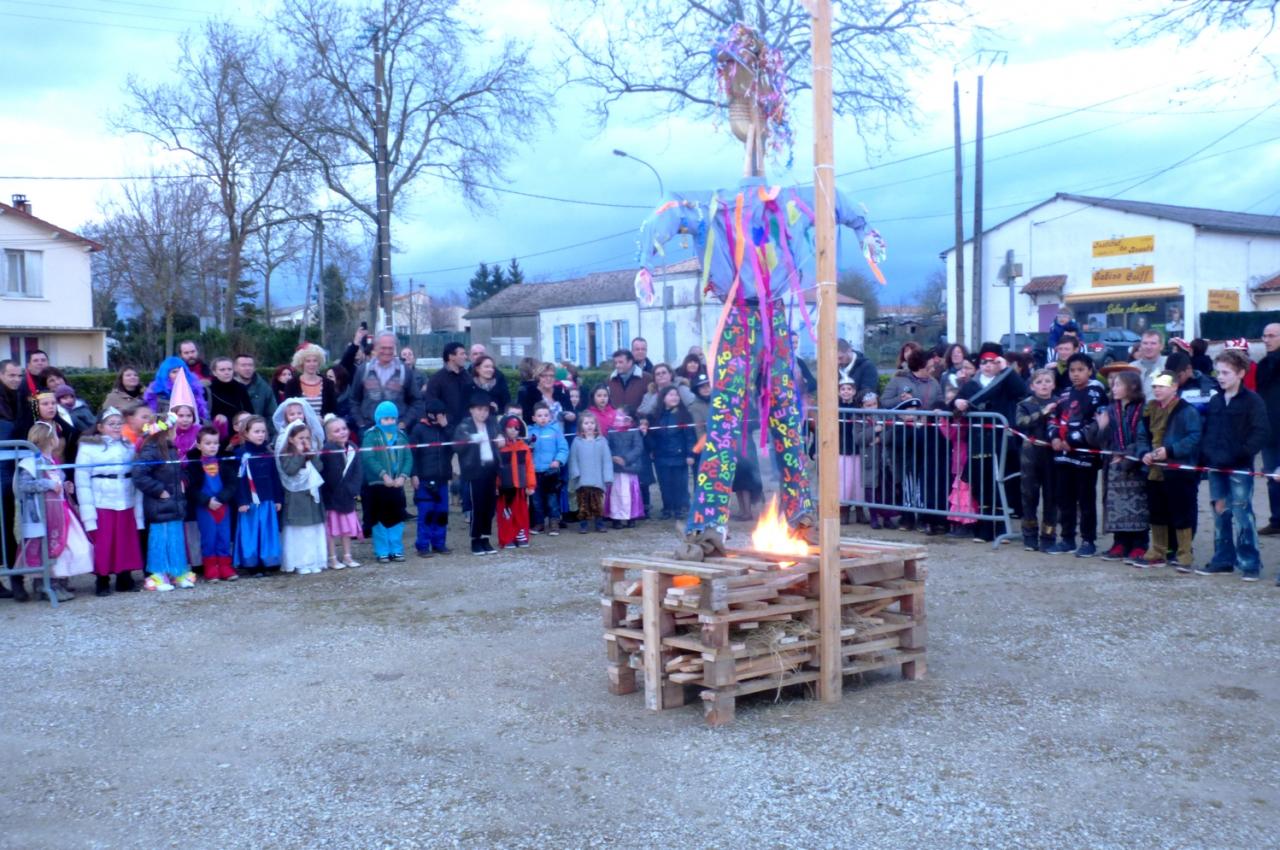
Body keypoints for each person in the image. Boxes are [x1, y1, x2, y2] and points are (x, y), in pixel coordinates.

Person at [1194, 349, 1270, 580]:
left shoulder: (1252, 401)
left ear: (1240, 374)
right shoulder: (1216, 400)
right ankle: (1223, 559)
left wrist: (1241, 453)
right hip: (1216, 467)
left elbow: (1260, 432)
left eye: (1226, 372)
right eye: (1219, 372)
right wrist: (1208, 453)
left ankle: (1250, 563)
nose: (1221, 376)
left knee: (1242, 513)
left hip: (1239, 467)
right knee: (1220, 512)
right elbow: (1209, 430)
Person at [952, 344, 1026, 542]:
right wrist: (957, 403)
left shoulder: (1005, 382)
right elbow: (956, 405)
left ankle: (1002, 528)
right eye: (984, 362)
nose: (987, 366)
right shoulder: (972, 385)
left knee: (1001, 485)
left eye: (992, 362)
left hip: (1001, 442)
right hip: (979, 443)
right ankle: (984, 529)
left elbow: (1022, 390)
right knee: (981, 486)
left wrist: (1006, 370)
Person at [17, 421, 92, 601]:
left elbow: (58, 482)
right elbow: (23, 485)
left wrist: (65, 486)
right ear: (49, 439)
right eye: (56, 436)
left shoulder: (53, 461)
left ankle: (59, 581)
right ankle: (46, 583)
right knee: (49, 547)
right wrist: (49, 484)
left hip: (60, 509)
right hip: (45, 511)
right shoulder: (30, 462)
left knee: (72, 546)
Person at [1135, 372, 1202, 569]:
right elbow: (1141, 436)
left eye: (1162, 386)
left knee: (1182, 512)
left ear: (1174, 387)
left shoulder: (1187, 410)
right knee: (1157, 511)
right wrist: (1144, 453)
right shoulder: (1149, 409)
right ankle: (1158, 550)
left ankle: (1184, 554)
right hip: (1154, 470)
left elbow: (1194, 437)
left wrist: (1170, 451)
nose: (1157, 389)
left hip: (1178, 471)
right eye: (1155, 386)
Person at [75, 408, 145, 595]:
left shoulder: (128, 445)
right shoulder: (88, 448)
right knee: (105, 541)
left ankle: (124, 576)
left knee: (125, 539)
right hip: (102, 500)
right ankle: (102, 578)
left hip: (125, 497)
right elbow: (82, 479)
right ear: (100, 427)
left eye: (119, 423)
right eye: (111, 424)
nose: (116, 427)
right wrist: (87, 511)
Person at [1045, 352, 1108, 557]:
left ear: (1090, 370)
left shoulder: (1097, 394)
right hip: (1062, 456)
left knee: (1086, 499)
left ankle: (1088, 540)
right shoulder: (1065, 395)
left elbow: (1095, 424)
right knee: (1064, 498)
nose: (1076, 374)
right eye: (1072, 370)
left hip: (1085, 456)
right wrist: (1054, 437)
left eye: (1080, 370)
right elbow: (1054, 418)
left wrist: (1071, 440)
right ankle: (1067, 538)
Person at [1088, 369, 1149, 564]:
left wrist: (1127, 455)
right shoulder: (1109, 409)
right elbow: (1095, 440)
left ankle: (1140, 543)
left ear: (1131, 387)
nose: (1113, 388)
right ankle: (1120, 542)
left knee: (1139, 506)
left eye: (1118, 384)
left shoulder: (1143, 409)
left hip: (1135, 464)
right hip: (1112, 465)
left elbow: (1145, 437)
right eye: (1112, 384)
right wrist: (1102, 425)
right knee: (1116, 506)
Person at [133, 415, 196, 592]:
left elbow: (176, 471)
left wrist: (183, 481)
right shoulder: (151, 450)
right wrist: (159, 490)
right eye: (174, 428)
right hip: (160, 505)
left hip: (175, 503)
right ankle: (159, 574)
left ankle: (177, 572)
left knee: (175, 538)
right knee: (160, 538)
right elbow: (139, 474)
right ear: (167, 431)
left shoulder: (171, 449)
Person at [184, 425, 238, 583]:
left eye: (215, 443)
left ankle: (225, 566)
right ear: (199, 445)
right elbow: (191, 489)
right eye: (208, 443)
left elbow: (232, 484)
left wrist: (221, 499)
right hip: (205, 508)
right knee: (209, 537)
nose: (212, 446)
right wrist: (207, 501)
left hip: (223, 506)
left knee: (224, 535)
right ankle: (211, 567)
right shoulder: (194, 465)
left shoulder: (225, 463)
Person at [362, 400, 412, 564]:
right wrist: (383, 475)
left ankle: (396, 549)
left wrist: (403, 476)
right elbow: (368, 457)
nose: (389, 422)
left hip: (396, 485)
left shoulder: (402, 436)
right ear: (378, 419)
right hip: (377, 485)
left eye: (392, 418)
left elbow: (408, 458)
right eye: (386, 419)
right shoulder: (371, 435)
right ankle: (382, 550)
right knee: (379, 519)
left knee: (397, 518)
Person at [1015, 369, 1059, 552]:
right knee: (1029, 495)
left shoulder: (1059, 403)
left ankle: (1048, 535)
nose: (1044, 385)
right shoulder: (1025, 404)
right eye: (1039, 382)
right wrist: (1042, 413)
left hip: (1052, 454)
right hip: (1031, 454)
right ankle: (1029, 533)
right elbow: (1021, 422)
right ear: (1032, 386)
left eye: (1047, 381)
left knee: (1051, 496)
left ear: (1053, 384)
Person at [232, 416, 283, 578]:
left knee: (267, 531)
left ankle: (268, 561)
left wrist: (278, 498)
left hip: (267, 499)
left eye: (263, 431)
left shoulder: (268, 452)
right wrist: (241, 500)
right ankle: (252, 563)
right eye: (256, 431)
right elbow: (238, 480)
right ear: (246, 433)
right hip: (250, 501)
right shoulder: (240, 454)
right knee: (251, 532)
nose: (260, 435)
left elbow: (275, 477)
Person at [276, 420, 329, 575]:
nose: (305, 441)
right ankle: (299, 562)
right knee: (299, 532)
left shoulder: (311, 451)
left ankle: (314, 560)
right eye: (301, 438)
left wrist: (311, 456)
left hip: (311, 499)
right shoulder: (285, 454)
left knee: (312, 530)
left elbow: (320, 468)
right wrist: (300, 455)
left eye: (307, 437)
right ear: (291, 439)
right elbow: (290, 470)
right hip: (296, 499)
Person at [455, 391, 502, 555]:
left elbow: (499, 436)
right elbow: (457, 446)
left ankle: (485, 538)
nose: (483, 413)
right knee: (477, 506)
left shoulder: (491, 424)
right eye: (479, 409)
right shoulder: (464, 426)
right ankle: (475, 540)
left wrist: (501, 438)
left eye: (486, 410)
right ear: (471, 410)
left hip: (491, 469)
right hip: (474, 472)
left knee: (489, 506)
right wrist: (471, 439)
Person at [318, 414, 363, 568]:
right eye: (337, 431)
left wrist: (353, 489)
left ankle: (347, 556)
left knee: (346, 529)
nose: (342, 432)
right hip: (331, 497)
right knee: (331, 529)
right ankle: (332, 558)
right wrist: (333, 492)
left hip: (348, 496)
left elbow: (358, 471)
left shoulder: (353, 448)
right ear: (329, 435)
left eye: (344, 428)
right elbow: (327, 475)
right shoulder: (327, 450)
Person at [409, 400, 452, 557]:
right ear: (433, 415)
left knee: (442, 513)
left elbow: (454, 447)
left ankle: (439, 543)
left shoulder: (446, 429)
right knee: (426, 514)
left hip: (442, 478)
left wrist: (446, 426)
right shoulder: (419, 429)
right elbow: (412, 453)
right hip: (425, 479)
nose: (443, 417)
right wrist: (413, 474)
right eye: (441, 415)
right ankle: (422, 546)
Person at [645, 387, 696, 520]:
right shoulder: (655, 416)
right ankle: (668, 508)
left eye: (676, 395)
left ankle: (681, 508)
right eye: (671, 395)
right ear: (663, 398)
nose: (675, 397)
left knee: (680, 484)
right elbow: (652, 436)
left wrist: (690, 454)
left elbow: (690, 437)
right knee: (665, 484)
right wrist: (650, 446)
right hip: (661, 456)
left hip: (679, 456)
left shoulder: (684, 415)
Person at [0, 359, 24, 599]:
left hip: (16, 471)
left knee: (12, 527)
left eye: (18, 375)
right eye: (11, 375)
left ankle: (19, 576)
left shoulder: (22, 397)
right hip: (3, 472)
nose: (16, 379)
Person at [528, 402, 568, 535]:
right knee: (536, 500)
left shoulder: (555, 430)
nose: (543, 418)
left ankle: (554, 523)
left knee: (552, 499)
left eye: (546, 415)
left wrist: (558, 460)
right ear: (534, 418)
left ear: (550, 416)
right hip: (534, 471)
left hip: (551, 471)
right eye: (539, 415)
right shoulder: (529, 431)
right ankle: (539, 523)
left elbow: (563, 448)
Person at [496, 414, 536, 548]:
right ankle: (508, 537)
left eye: (516, 427)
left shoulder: (524, 448)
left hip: (520, 488)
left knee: (521, 513)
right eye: (509, 427)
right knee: (506, 514)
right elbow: (495, 469)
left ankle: (520, 534)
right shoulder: (499, 448)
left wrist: (531, 485)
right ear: (504, 428)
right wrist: (495, 485)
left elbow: (530, 467)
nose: (513, 430)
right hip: (504, 489)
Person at [570, 410, 612, 533]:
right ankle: (583, 525)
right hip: (582, 480)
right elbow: (573, 459)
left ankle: (599, 523)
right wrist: (575, 473)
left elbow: (607, 460)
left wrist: (608, 477)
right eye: (586, 423)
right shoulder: (576, 442)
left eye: (592, 423)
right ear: (581, 426)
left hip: (597, 479)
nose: (589, 425)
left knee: (597, 503)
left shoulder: (602, 441)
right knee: (583, 503)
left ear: (596, 425)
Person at [1256, 322, 1280, 536]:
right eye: (1265, 335)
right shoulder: (1264, 364)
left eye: (1271, 335)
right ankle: (1276, 519)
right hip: (1270, 432)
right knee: (1273, 477)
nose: (1266, 339)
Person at [605, 408, 645, 528]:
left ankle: (631, 516)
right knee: (615, 494)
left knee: (630, 493)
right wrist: (613, 457)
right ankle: (616, 517)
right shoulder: (611, 431)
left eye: (624, 416)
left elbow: (638, 447)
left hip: (629, 468)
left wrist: (626, 459)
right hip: (615, 469)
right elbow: (606, 445)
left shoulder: (634, 431)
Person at [423, 340, 471, 429]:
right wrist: (442, 420)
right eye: (462, 354)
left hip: (467, 427)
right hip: (445, 429)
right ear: (451, 356)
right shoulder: (436, 379)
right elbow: (430, 403)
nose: (465, 357)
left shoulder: (468, 377)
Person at [146, 355, 209, 422]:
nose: (179, 374)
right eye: (174, 372)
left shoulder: (194, 390)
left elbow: (201, 416)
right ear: (166, 375)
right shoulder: (155, 392)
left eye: (182, 371)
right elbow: (152, 418)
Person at [285, 343, 339, 418]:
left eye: (315, 361)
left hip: (323, 427)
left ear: (319, 362)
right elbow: (288, 411)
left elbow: (333, 411)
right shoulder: (291, 384)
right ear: (301, 363)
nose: (312, 364)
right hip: (300, 427)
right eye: (308, 361)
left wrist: (324, 420)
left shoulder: (328, 384)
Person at [519, 361, 574, 429]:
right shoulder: (529, 394)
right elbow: (525, 418)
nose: (548, 379)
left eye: (551, 376)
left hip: (561, 435)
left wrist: (571, 416)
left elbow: (571, 411)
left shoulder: (561, 392)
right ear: (538, 377)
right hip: (537, 434)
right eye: (544, 376)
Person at [207, 357, 253, 435]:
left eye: (229, 369)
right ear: (214, 372)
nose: (227, 372)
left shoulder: (240, 388)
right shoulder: (208, 390)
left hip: (239, 431)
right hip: (216, 433)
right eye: (222, 370)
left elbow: (249, 411)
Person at [233, 353, 278, 428]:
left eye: (250, 365)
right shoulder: (228, 387)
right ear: (235, 368)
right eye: (243, 365)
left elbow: (272, 414)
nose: (247, 368)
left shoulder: (264, 388)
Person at [1132, 330, 1167, 397]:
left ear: (1161, 346)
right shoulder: (1132, 367)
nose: (1148, 347)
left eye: (1153, 343)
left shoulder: (1168, 364)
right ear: (1140, 346)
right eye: (1145, 343)